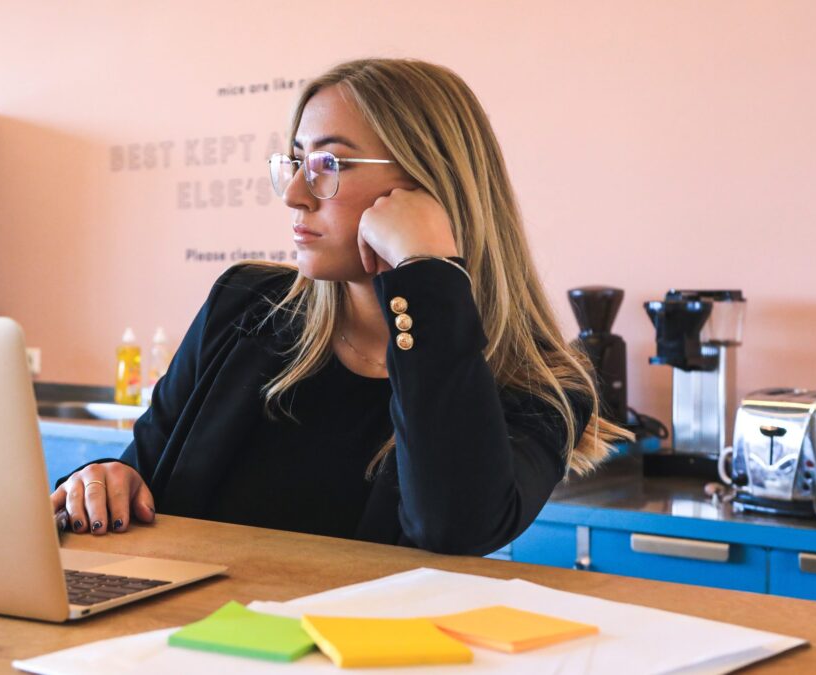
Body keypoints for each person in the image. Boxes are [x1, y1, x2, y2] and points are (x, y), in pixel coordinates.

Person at [51, 58, 629, 555]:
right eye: (296, 161)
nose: (296, 193)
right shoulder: (245, 306)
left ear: (429, 186)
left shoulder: (539, 384)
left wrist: (427, 273)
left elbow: (455, 528)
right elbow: (141, 473)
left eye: (330, 164)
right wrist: (107, 480)